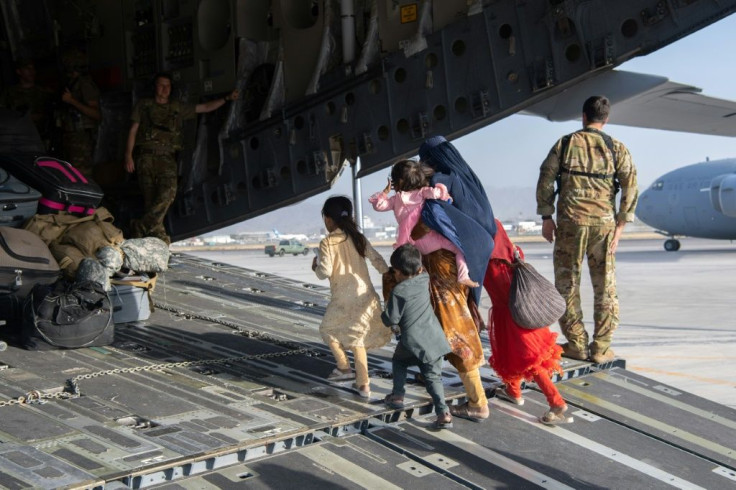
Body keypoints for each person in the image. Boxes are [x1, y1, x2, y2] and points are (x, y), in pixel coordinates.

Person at [383, 135, 495, 423]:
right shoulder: (464, 180)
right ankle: (426, 376)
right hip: (448, 263)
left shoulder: (441, 181)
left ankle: (477, 402)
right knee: (441, 322)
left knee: (453, 328)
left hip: (440, 268)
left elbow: (437, 218)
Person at [536, 95, 639, 364]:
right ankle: (601, 347)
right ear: (606, 119)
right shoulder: (617, 148)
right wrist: (620, 226)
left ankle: (577, 343)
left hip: (570, 225)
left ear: (583, 117)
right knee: (605, 287)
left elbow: (546, 177)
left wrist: (547, 216)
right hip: (603, 227)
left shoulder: (566, 143)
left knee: (567, 286)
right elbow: (630, 185)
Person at [124, 72, 239, 245]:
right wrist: (128, 155)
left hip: (167, 159)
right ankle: (159, 239)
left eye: (168, 86)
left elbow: (205, 108)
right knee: (151, 201)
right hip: (146, 157)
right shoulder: (144, 105)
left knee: (168, 194)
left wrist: (227, 98)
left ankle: (140, 226)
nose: (165, 89)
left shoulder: (177, 107)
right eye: (161, 85)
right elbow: (133, 130)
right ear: (155, 87)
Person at [485, 219, 572, 425]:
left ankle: (556, 402)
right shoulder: (512, 251)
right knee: (512, 355)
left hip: (512, 319)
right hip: (524, 313)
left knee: (529, 360)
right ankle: (513, 391)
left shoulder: (488, 262)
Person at [312, 196, 391, 398]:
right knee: (358, 339)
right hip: (366, 295)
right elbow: (377, 260)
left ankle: (344, 367)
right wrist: (389, 273)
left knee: (327, 329)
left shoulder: (327, 243)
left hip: (343, 298)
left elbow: (325, 271)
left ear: (328, 219)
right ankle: (363, 385)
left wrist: (316, 267)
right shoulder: (358, 237)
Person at [368, 159, 478, 287]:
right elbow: (437, 193)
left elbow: (379, 205)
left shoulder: (395, 199)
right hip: (433, 240)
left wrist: (385, 192)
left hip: (412, 245)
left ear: (398, 181)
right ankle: (463, 276)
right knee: (460, 250)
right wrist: (444, 193)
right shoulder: (422, 192)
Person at [381, 244, 453, 429]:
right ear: (419, 268)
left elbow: (390, 319)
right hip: (434, 339)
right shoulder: (424, 278)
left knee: (399, 362)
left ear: (397, 271)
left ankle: (397, 395)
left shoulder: (398, 291)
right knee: (432, 377)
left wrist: (384, 309)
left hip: (412, 341)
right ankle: (443, 413)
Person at [57, 48, 101, 177]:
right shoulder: (72, 83)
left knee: (83, 175)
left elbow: (96, 114)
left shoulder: (85, 84)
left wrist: (72, 101)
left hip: (82, 138)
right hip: (71, 137)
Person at [0, 58, 52, 147]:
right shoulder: (9, 93)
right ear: (19, 71)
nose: (31, 71)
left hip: (42, 138)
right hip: (19, 140)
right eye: (27, 69)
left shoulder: (44, 92)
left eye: (33, 68)